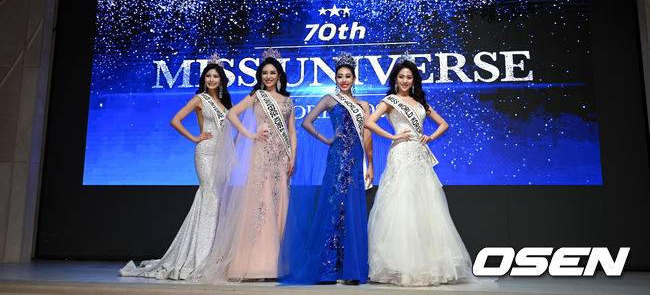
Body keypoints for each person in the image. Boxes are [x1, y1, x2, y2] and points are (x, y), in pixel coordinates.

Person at [365, 53, 474, 286]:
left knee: (426, 206)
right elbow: (369, 122)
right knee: (401, 205)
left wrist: (430, 137)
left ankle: (427, 265)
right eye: (401, 77)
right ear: (395, 79)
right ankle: (401, 267)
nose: (405, 81)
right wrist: (393, 136)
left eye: (409, 77)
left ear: (414, 80)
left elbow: (444, 124)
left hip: (420, 157)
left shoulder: (420, 102)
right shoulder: (390, 100)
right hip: (401, 155)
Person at [120, 57, 232, 280]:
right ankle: (200, 258)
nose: (211, 79)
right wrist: (195, 138)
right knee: (209, 196)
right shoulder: (199, 99)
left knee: (215, 201)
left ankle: (211, 255)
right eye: (208, 76)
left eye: (215, 76)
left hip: (221, 156)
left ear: (221, 80)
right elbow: (176, 120)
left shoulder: (223, 104)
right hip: (205, 153)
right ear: (204, 79)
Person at [197, 48, 297, 282]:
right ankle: (255, 264)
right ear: (260, 76)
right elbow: (232, 114)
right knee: (260, 206)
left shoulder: (288, 101)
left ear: (279, 76)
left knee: (278, 206)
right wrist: (250, 134)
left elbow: (292, 131)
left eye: (272, 73)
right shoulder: (256, 96)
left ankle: (275, 264)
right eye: (265, 73)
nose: (268, 76)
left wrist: (293, 156)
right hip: (260, 157)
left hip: (281, 158)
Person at [279, 52, 372, 284]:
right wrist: (327, 139)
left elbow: (367, 137)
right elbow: (306, 121)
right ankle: (328, 269)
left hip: (356, 159)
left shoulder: (363, 105)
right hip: (338, 158)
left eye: (348, 76)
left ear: (354, 78)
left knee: (353, 209)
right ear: (335, 78)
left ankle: (351, 270)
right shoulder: (330, 99)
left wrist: (371, 164)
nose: (344, 80)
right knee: (333, 207)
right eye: (340, 76)